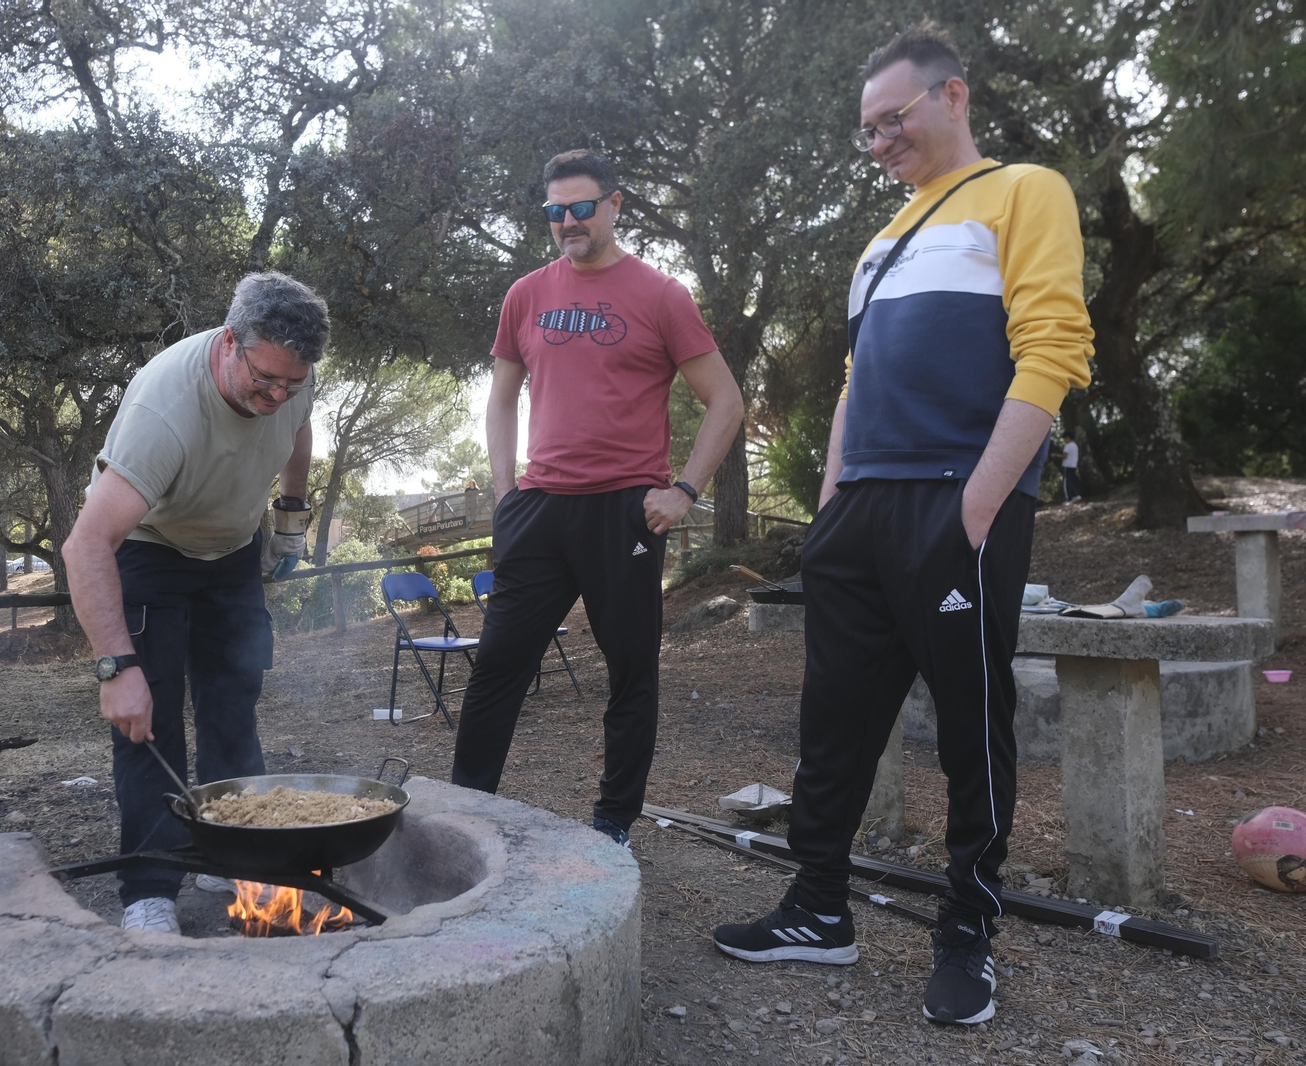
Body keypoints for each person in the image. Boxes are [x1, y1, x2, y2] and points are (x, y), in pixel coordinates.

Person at [711, 23, 1093, 1026]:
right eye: (867, 130)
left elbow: (1052, 349)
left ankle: (966, 932)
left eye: (893, 119)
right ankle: (817, 909)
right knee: (833, 725)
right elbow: (855, 381)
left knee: (970, 727)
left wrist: (977, 507)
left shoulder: (1025, 190)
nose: (878, 142)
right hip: (860, 511)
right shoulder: (881, 240)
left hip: (957, 497)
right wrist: (831, 506)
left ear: (952, 95)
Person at [449, 149, 745, 848]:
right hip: (539, 510)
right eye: (555, 211)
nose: (568, 222)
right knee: (497, 667)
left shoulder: (662, 295)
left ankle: (613, 823)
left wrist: (685, 490)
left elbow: (726, 400)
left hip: (626, 513)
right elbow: (501, 400)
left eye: (581, 207)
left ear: (615, 205)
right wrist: (505, 492)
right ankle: (464, 813)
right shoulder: (526, 294)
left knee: (631, 672)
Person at [61, 272, 329, 933]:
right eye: (265, 379)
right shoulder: (165, 413)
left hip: (232, 549)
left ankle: (235, 854)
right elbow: (85, 545)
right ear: (230, 341)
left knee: (233, 703)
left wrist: (290, 515)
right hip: (150, 548)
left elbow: (299, 430)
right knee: (147, 721)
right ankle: (149, 889)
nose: (278, 395)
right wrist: (115, 669)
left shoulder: (293, 376)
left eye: (291, 383)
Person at [1060, 432, 1082, 502]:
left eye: (1065, 438)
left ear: (1068, 438)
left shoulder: (1068, 446)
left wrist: (1056, 455)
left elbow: (1065, 456)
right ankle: (1075, 495)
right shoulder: (1075, 445)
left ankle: (1069, 498)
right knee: (1072, 481)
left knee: (1066, 482)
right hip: (1073, 465)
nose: (1064, 440)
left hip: (1067, 465)